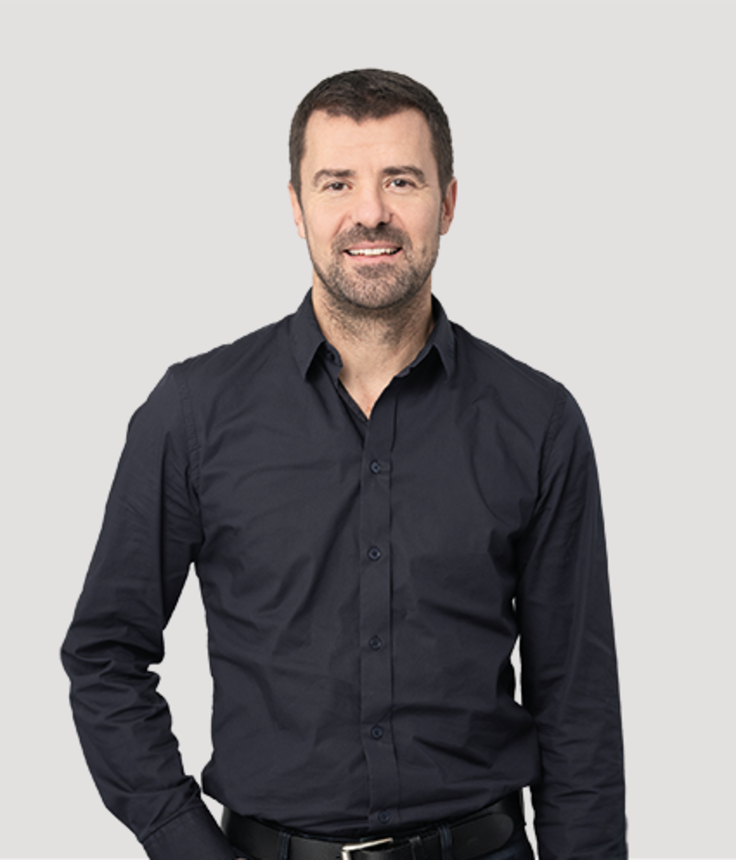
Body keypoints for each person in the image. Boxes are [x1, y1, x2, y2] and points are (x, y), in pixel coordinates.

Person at [62, 69, 627, 860]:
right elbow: (105, 656)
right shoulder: (193, 413)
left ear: (448, 203)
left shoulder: (537, 420)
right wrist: (185, 844)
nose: (371, 212)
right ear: (296, 207)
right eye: (337, 183)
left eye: (402, 180)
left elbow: (577, 700)